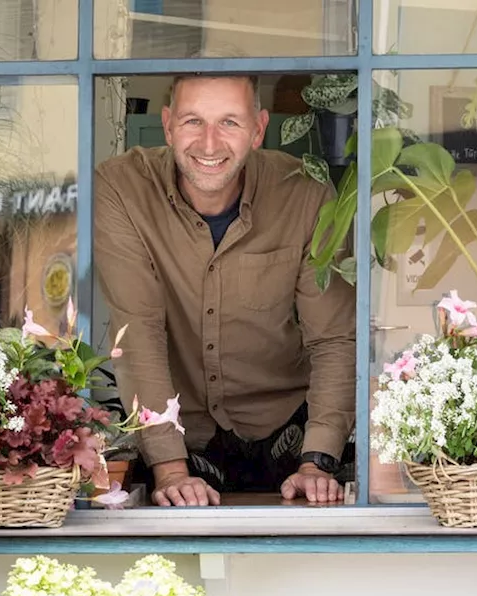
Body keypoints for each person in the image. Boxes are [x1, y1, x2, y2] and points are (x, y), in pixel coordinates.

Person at [93, 71, 356, 507]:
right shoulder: (123, 188)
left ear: (258, 129)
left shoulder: (305, 193)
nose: (210, 144)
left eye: (229, 122)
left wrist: (317, 461)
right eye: (193, 121)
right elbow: (137, 331)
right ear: (167, 124)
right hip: (181, 437)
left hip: (290, 431)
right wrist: (171, 471)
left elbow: (334, 338)